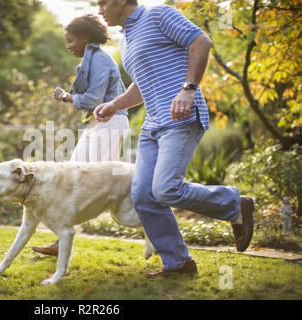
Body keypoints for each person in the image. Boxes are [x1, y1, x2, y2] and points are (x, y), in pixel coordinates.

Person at [93, 0, 255, 278]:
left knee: (166, 189)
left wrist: (189, 89)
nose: (99, 11)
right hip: (152, 126)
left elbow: (201, 41)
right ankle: (178, 263)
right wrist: (115, 105)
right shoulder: (126, 39)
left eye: (102, 3)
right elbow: (141, 85)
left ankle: (234, 204)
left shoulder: (158, 13)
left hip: (180, 119)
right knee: (144, 196)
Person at [32, 14, 129, 256]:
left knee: (101, 182)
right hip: (98, 124)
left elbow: (93, 99)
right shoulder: (92, 58)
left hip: (108, 124)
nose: (68, 46)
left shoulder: (98, 59)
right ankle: (60, 240)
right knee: (72, 176)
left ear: (85, 38)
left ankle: (154, 222)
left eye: (71, 40)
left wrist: (66, 97)